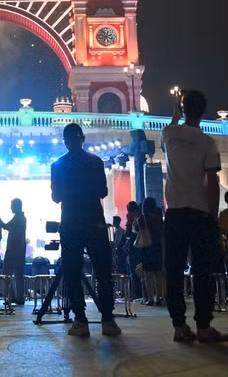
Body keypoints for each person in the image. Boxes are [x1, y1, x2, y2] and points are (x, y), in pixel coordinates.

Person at [160, 90, 228, 344]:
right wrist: (214, 215)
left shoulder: (169, 133)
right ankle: (203, 327)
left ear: (182, 109)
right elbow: (212, 183)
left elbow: (170, 130)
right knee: (202, 272)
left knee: (174, 271)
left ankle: (179, 327)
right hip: (200, 213)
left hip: (175, 212)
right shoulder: (207, 142)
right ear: (203, 112)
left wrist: (175, 116)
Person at [50, 123, 121, 337]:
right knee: (103, 271)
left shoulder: (58, 165)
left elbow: (56, 197)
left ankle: (80, 320)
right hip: (94, 221)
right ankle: (108, 320)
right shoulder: (96, 161)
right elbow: (102, 191)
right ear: (83, 139)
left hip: (71, 222)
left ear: (65, 141)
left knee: (72, 271)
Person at [138, 196, 165, 305]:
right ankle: (159, 297)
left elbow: (138, 230)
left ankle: (150, 298)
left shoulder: (142, 218)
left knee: (148, 275)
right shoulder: (159, 218)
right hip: (158, 247)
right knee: (158, 274)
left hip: (146, 247)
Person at [3, 198, 27, 306]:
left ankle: (10, 296)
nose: (11, 208)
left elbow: (6, 226)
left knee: (7, 274)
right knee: (19, 275)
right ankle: (19, 297)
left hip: (13, 249)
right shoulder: (22, 218)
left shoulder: (18, 218)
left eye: (12, 205)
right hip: (20, 249)